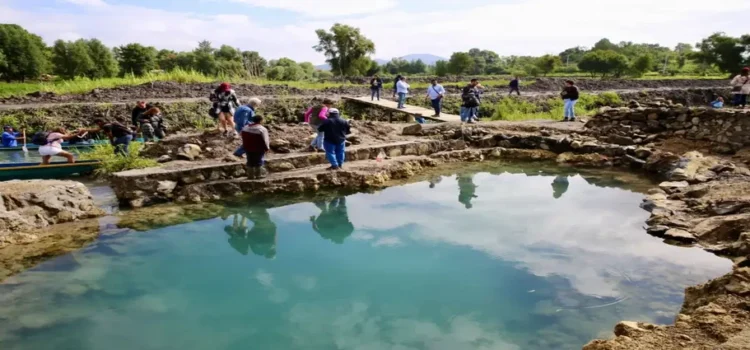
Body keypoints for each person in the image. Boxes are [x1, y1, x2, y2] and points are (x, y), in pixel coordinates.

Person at [241, 115, 270, 179]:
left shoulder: (245, 128)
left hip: (248, 147)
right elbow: (265, 140)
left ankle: (250, 175)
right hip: (258, 148)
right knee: (259, 161)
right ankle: (258, 175)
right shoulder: (262, 129)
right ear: (261, 121)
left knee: (250, 161)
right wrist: (267, 148)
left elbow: (242, 136)